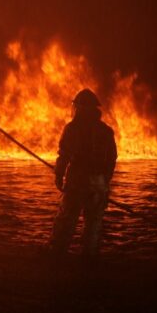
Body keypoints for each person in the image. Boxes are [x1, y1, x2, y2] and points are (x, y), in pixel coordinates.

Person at [49, 89, 117, 259]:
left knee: (66, 220)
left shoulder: (72, 129)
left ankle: (57, 255)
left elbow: (64, 154)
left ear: (79, 107)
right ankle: (89, 257)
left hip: (77, 181)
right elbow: (112, 159)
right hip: (98, 183)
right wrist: (104, 181)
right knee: (94, 223)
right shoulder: (106, 131)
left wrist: (59, 175)